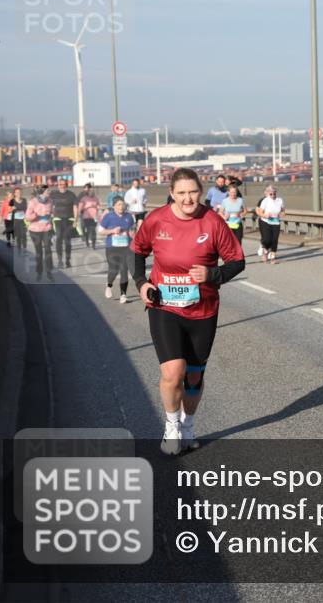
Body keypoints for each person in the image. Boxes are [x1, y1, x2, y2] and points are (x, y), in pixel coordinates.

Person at [131, 168, 245, 455]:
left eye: (192, 191)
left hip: (203, 310)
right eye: (181, 193)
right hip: (164, 306)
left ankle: (188, 424)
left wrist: (212, 274)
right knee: (173, 372)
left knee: (193, 375)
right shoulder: (156, 220)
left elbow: (237, 261)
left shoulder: (212, 221)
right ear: (172, 194)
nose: (187, 198)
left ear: (201, 191)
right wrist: (141, 282)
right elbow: (138, 251)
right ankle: (171, 426)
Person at [99, 197, 136, 303]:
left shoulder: (129, 216)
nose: (121, 206)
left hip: (126, 247)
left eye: (123, 204)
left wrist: (132, 233)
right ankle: (109, 285)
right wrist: (112, 231)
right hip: (112, 247)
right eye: (119, 204)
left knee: (124, 270)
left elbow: (132, 229)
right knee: (113, 270)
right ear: (114, 206)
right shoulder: (108, 217)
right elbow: (100, 231)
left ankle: (123, 295)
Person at [25, 185, 54, 281]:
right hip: (35, 230)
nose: (49, 191)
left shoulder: (50, 200)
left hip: (47, 228)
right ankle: (39, 272)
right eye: (47, 190)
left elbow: (52, 212)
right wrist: (38, 215)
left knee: (48, 250)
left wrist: (51, 215)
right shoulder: (33, 202)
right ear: (42, 192)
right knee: (39, 252)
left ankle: (49, 272)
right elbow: (27, 217)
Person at [48, 177, 78, 268]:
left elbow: (75, 207)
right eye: (60, 184)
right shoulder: (53, 194)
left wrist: (76, 219)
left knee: (67, 240)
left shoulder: (71, 195)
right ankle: (60, 260)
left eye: (64, 184)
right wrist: (49, 216)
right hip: (57, 219)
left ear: (66, 185)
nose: (62, 186)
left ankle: (67, 260)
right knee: (59, 238)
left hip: (69, 219)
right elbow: (49, 205)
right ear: (58, 185)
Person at [255, 186, 284, 264]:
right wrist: (264, 215)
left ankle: (273, 257)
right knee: (267, 239)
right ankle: (265, 249)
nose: (272, 195)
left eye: (274, 193)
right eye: (270, 193)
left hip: (276, 222)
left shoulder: (280, 200)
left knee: (275, 239)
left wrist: (282, 214)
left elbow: (283, 210)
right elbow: (260, 212)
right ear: (267, 193)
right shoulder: (265, 200)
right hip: (265, 221)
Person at [77, 183, 101, 249]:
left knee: (93, 230)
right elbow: (80, 208)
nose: (92, 193)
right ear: (88, 192)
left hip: (94, 217)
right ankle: (87, 241)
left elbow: (99, 205)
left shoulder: (96, 198)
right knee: (88, 230)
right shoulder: (84, 199)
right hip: (86, 217)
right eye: (90, 191)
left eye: (93, 191)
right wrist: (88, 206)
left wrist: (97, 207)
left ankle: (93, 245)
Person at [11, 187, 28, 253]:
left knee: (24, 234)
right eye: (17, 192)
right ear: (14, 193)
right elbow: (9, 210)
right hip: (15, 220)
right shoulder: (12, 201)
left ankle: (24, 248)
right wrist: (12, 209)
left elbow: (26, 209)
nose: (19, 193)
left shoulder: (24, 200)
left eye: (20, 192)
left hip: (23, 220)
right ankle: (19, 249)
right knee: (18, 235)